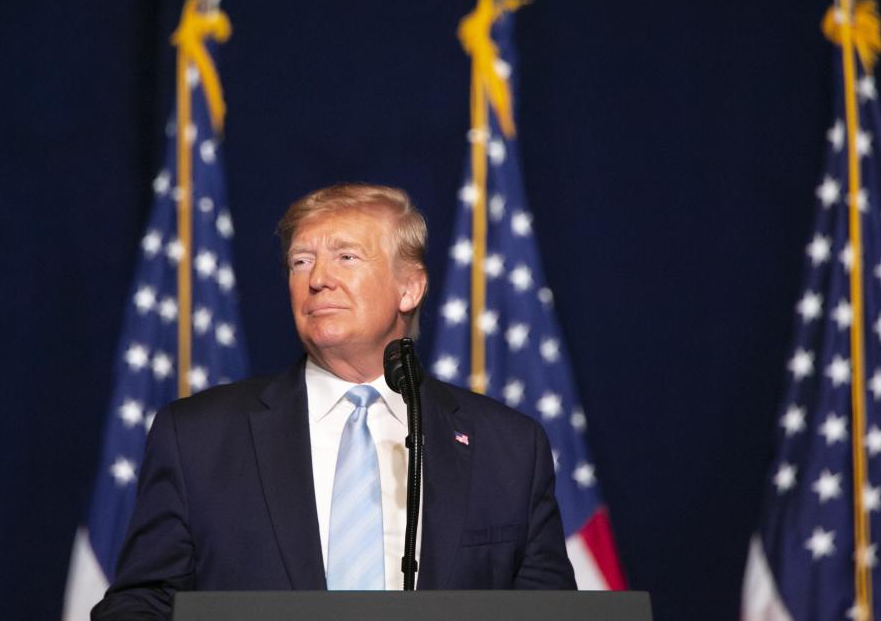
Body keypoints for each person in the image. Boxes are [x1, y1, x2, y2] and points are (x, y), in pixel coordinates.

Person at [92, 183, 575, 620]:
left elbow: (549, 611)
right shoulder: (198, 436)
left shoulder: (508, 446)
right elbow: (143, 602)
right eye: (301, 261)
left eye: (346, 257)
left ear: (410, 287)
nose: (317, 278)